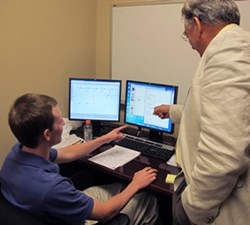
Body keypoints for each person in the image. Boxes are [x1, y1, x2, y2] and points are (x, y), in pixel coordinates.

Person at [153, 0, 250, 225]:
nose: (190, 44)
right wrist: (174, 111)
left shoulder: (230, 51)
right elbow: (223, 114)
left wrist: (192, 208)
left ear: (196, 25)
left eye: (187, 35)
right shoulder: (237, 46)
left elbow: (225, 153)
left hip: (212, 208)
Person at [0, 93, 159, 225]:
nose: (64, 122)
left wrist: (104, 139)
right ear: (47, 134)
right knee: (147, 198)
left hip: (51, 210)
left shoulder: (17, 153)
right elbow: (104, 213)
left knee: (121, 186)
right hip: (76, 217)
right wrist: (136, 184)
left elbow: (68, 154)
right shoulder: (53, 188)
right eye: (59, 120)